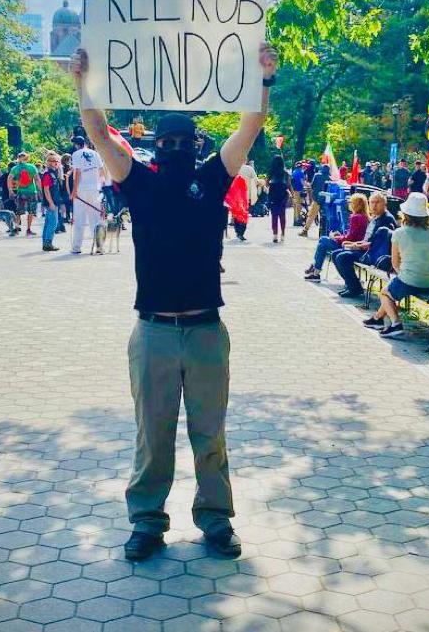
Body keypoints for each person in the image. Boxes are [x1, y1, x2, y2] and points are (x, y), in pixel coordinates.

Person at [71, 41, 277, 561]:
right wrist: (83, 83)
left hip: (205, 329)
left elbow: (249, 129)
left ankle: (214, 519)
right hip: (155, 330)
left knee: (211, 435)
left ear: (192, 143)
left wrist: (264, 79)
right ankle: (146, 520)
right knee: (152, 437)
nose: (177, 147)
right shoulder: (142, 183)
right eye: (171, 141)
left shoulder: (210, 179)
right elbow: (98, 134)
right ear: (157, 144)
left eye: (182, 141)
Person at [363, 193, 429, 338]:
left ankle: (396, 324)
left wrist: (406, 273)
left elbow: (395, 263)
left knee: (385, 292)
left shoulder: (399, 233)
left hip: (410, 279)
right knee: (393, 289)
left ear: (405, 214)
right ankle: (377, 319)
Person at [333, 192, 397, 298]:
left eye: (377, 203)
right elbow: (367, 239)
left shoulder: (386, 219)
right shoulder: (375, 217)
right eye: (372, 202)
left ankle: (355, 288)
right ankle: (351, 285)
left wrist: (355, 245)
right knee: (336, 254)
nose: (374, 205)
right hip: (366, 250)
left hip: (375, 255)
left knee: (342, 257)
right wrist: (355, 244)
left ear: (385, 204)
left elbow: (376, 243)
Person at [304, 193, 369, 282]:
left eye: (351, 202)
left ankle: (315, 270)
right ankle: (315, 268)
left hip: (349, 245)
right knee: (323, 241)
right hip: (354, 244)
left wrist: (336, 238)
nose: (349, 204)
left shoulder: (356, 217)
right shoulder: (364, 217)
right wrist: (340, 235)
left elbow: (350, 237)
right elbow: (352, 235)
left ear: (356, 204)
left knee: (323, 240)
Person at [70, 135, 104, 254]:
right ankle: (99, 246)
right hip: (94, 189)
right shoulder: (95, 153)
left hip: (81, 189)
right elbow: (101, 171)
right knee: (95, 219)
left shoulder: (76, 154)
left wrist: (74, 190)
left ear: (76, 144)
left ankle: (76, 247)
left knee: (79, 219)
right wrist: (100, 186)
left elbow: (77, 173)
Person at [8, 152, 42, 236]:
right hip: (32, 192)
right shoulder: (32, 167)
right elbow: (37, 179)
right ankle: (28, 229)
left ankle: (16, 229)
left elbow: (9, 179)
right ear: (27, 159)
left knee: (18, 211)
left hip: (21, 192)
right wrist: (40, 190)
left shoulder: (15, 168)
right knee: (31, 212)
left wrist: (10, 190)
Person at [300, 163, 330, 237]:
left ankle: (305, 231)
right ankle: (323, 232)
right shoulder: (329, 178)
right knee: (325, 217)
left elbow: (312, 186)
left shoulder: (317, 175)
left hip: (316, 199)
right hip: (325, 200)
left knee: (311, 215)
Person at [40, 152, 62, 252]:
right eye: (54, 161)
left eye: (57, 161)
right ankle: (48, 243)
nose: (56, 163)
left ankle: (46, 243)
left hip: (54, 201)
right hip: (51, 203)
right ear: (49, 162)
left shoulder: (55, 173)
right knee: (52, 223)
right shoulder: (48, 174)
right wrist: (51, 203)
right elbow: (46, 189)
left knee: (49, 223)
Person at [267, 155, 292, 243]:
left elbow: (267, 184)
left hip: (273, 196)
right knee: (282, 216)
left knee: (274, 216)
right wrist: (291, 195)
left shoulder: (271, 172)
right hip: (283, 196)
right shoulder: (285, 173)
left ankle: (275, 235)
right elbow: (288, 185)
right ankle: (283, 234)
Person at [291, 161, 306, 226]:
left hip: (294, 190)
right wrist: (307, 186)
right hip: (299, 190)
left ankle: (295, 220)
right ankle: (298, 220)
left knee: (295, 205)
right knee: (299, 205)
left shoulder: (293, 172)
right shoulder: (301, 173)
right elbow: (302, 182)